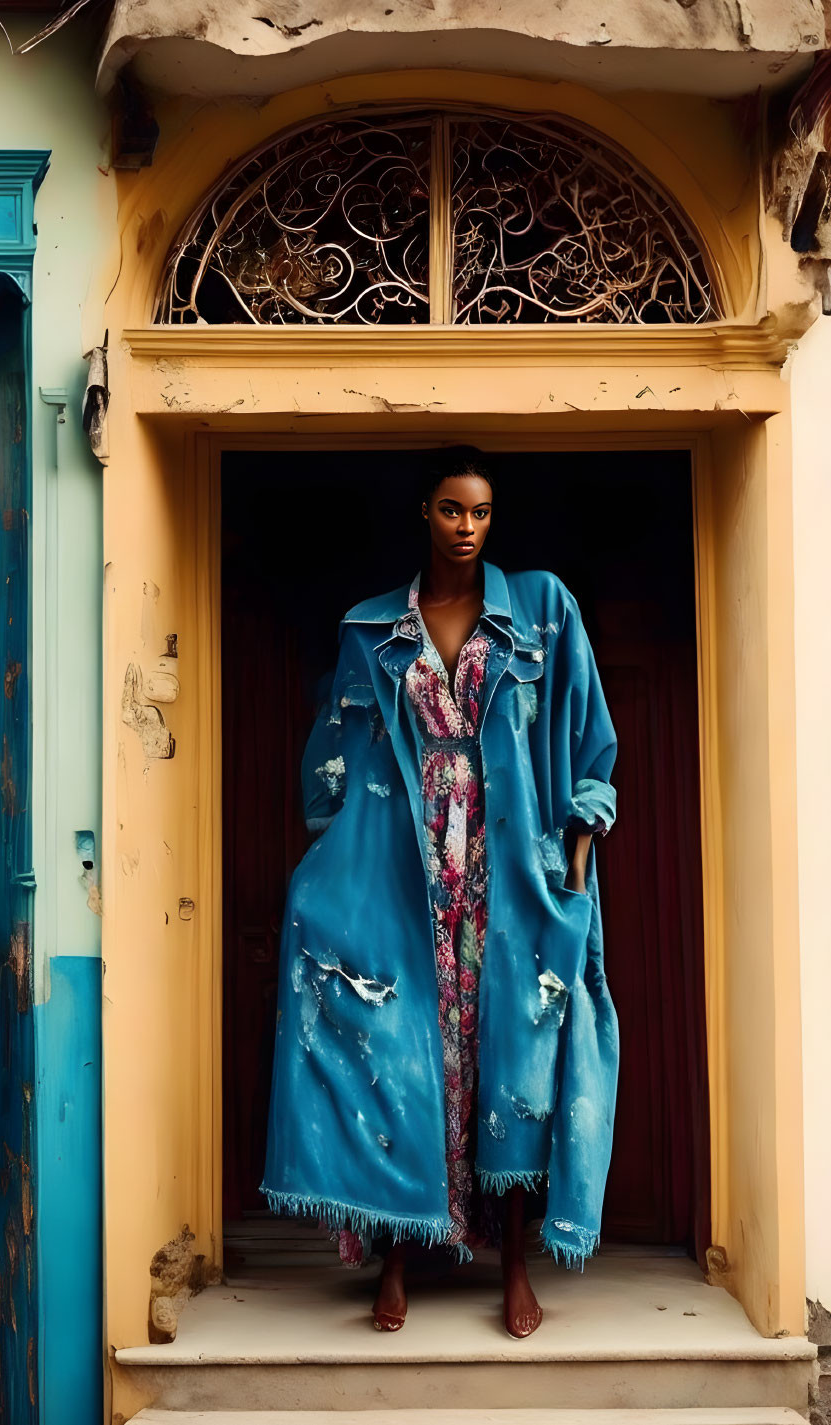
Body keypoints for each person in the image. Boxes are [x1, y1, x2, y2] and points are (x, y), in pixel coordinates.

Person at [261, 452, 618, 1338]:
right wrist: (331, 860)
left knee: (511, 1056)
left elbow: (589, 739)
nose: (468, 525)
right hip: (399, 867)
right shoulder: (370, 628)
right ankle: (392, 1256)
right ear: (424, 512)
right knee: (400, 1048)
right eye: (453, 509)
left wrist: (571, 855)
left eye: (483, 511)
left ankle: (515, 1261)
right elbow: (331, 762)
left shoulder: (540, 610)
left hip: (508, 867)